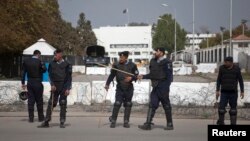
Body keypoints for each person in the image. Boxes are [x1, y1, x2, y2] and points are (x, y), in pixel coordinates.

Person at [138, 47, 174, 130]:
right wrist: (143, 76)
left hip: (163, 87)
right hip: (155, 87)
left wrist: (166, 87)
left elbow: (169, 77)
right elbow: (152, 75)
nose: (155, 53)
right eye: (155, 51)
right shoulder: (153, 61)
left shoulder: (167, 62)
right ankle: (148, 124)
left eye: (157, 51)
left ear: (161, 53)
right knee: (152, 104)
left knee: (166, 105)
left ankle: (170, 124)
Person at [38, 49, 72, 128]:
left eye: (56, 55)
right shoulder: (52, 64)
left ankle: (62, 121)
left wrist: (68, 88)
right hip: (55, 86)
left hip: (63, 86)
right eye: (54, 55)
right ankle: (46, 121)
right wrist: (52, 85)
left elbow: (69, 78)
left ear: (60, 55)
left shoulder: (67, 64)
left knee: (63, 103)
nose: (54, 56)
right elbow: (49, 75)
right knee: (51, 103)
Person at [105, 51, 139, 128]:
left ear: (126, 57)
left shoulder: (133, 65)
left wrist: (131, 78)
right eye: (120, 57)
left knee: (128, 104)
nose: (121, 58)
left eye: (122, 57)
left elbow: (137, 75)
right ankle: (113, 120)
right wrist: (107, 84)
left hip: (129, 88)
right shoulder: (116, 65)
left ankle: (126, 121)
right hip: (120, 87)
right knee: (117, 103)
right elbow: (112, 75)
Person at [216, 56, 244, 125]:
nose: (225, 63)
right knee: (221, 110)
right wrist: (217, 90)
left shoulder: (237, 69)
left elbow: (240, 80)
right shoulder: (222, 68)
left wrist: (242, 91)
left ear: (231, 62)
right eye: (224, 62)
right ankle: (221, 122)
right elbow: (219, 79)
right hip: (224, 92)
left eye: (226, 62)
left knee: (233, 110)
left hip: (233, 93)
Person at [21, 50, 46, 122]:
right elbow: (44, 70)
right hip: (38, 82)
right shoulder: (39, 61)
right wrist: (40, 69)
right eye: (40, 55)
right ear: (38, 54)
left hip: (30, 82)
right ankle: (41, 117)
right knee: (39, 100)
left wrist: (23, 83)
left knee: (31, 101)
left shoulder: (26, 61)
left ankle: (31, 118)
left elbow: (23, 73)